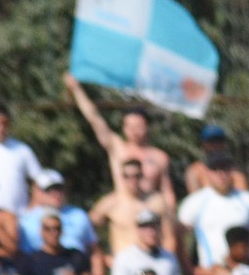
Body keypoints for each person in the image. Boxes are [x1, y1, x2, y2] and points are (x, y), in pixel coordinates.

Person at [64, 76, 175, 204]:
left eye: (138, 126)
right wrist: (77, 90)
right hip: (123, 209)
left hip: (148, 212)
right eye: (129, 126)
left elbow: (167, 192)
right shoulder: (117, 148)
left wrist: (170, 218)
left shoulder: (160, 157)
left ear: (146, 128)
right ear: (124, 128)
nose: (134, 131)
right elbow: (94, 118)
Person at [178, 157, 249, 270]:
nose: (221, 174)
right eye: (215, 170)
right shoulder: (195, 202)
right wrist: (190, 269)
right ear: (208, 173)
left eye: (225, 169)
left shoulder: (248, 199)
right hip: (213, 271)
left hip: (246, 269)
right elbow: (178, 235)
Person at [92, 158, 179, 260]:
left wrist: (165, 262)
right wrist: (103, 259)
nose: (132, 180)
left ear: (142, 176)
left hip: (152, 262)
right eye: (127, 176)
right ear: (122, 177)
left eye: (136, 175)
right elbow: (87, 231)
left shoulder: (157, 201)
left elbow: (169, 237)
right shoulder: (110, 203)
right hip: (124, 263)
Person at [109, 210, 180, 275]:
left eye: (153, 226)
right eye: (145, 227)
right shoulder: (125, 257)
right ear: (137, 229)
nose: (150, 231)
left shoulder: (169, 258)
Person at [17, 169, 99, 256]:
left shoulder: (79, 215)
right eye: (49, 190)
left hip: (77, 266)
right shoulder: (25, 220)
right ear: (37, 192)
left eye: (59, 189)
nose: (55, 194)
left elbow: (94, 251)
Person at [185, 125, 249, 196]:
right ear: (203, 144)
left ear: (224, 144)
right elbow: (195, 199)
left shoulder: (235, 170)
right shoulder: (195, 170)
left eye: (218, 141)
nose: (215, 145)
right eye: (211, 142)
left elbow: (242, 195)